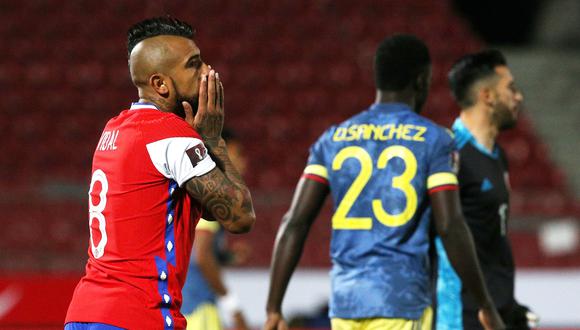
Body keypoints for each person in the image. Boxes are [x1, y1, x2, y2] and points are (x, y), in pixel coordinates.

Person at [264, 34, 504, 330]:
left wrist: (274, 307)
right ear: (421, 81)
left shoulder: (332, 139)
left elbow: (295, 223)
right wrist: (485, 303)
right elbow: (450, 225)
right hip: (399, 300)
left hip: (345, 305)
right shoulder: (435, 140)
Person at [65, 17, 255, 330]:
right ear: (161, 84)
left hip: (85, 313)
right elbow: (240, 216)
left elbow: (206, 207)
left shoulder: (113, 130)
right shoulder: (171, 135)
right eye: (194, 65)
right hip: (139, 315)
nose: (207, 72)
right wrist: (213, 141)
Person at [436, 50, 538, 330]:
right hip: (460, 316)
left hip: (495, 311)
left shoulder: (497, 155)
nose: (518, 97)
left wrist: (508, 304)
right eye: (511, 88)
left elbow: (492, 238)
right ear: (487, 96)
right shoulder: (448, 153)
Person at [181, 129, 251, 330]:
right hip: (197, 310)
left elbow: (195, 251)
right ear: (221, 154)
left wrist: (226, 257)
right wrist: (233, 306)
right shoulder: (211, 195)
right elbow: (201, 256)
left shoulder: (194, 188)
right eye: (238, 154)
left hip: (185, 307)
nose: (243, 162)